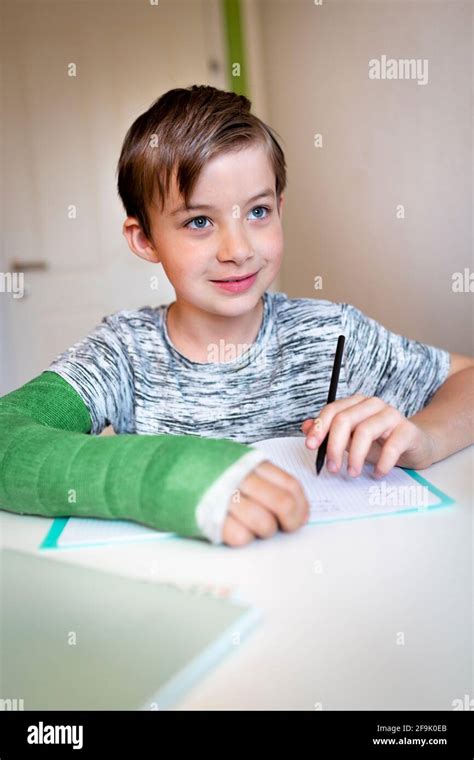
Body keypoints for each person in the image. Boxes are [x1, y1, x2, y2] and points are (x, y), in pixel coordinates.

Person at [1, 85, 472, 547]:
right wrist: (166, 474)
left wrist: (425, 440)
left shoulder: (331, 334)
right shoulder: (123, 353)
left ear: (281, 209)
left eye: (258, 212)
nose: (239, 250)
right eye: (199, 222)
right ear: (145, 239)